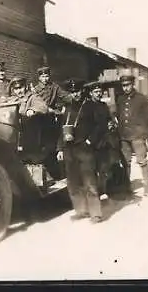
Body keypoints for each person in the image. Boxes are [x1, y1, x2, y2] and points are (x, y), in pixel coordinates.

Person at [57, 79, 106, 223]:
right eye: (72, 92)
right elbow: (61, 129)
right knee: (73, 182)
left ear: (82, 91)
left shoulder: (90, 106)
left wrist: (90, 141)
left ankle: (96, 213)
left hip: (84, 149)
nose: (75, 94)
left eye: (77, 91)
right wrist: (59, 148)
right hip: (69, 150)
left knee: (89, 181)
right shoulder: (66, 107)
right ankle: (81, 210)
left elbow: (100, 126)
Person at [115, 75, 148, 196]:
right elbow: (118, 116)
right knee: (126, 162)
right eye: (123, 85)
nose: (125, 88)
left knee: (142, 161)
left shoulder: (141, 99)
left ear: (133, 85)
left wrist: (144, 133)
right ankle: (127, 188)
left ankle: (147, 186)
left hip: (137, 136)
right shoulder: (120, 99)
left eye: (127, 85)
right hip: (124, 136)